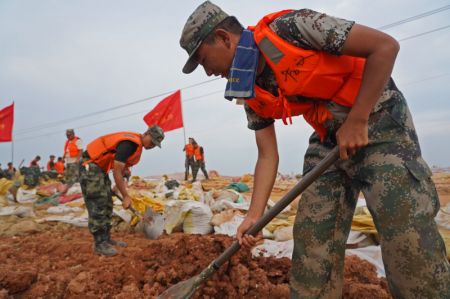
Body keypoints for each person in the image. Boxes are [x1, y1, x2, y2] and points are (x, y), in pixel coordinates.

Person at [180, 2, 450, 298]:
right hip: (329, 138)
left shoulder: (291, 28)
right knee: (312, 241)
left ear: (223, 37)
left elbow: (385, 47)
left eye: (204, 60)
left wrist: (358, 118)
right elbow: (267, 154)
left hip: (378, 122)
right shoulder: (248, 86)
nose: (207, 72)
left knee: (407, 241)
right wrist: (253, 215)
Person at [79, 125, 164, 256]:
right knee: (98, 202)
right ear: (146, 134)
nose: (152, 145)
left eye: (155, 144)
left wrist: (119, 186)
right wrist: (125, 196)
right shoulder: (129, 144)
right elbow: (117, 171)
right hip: (90, 165)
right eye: (152, 142)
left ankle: (106, 238)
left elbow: (123, 170)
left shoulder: (136, 147)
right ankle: (99, 243)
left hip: (100, 169)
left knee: (107, 202)